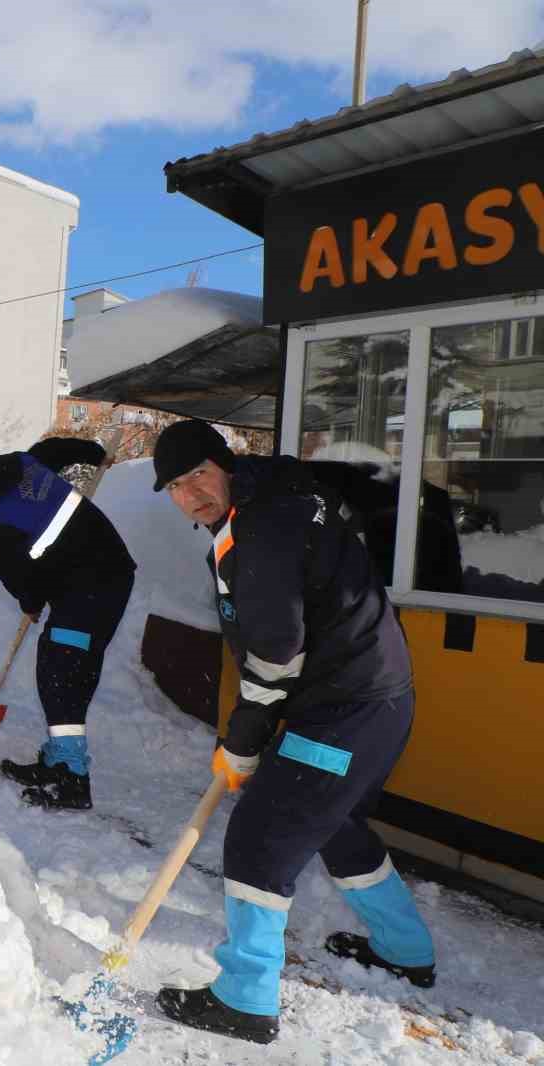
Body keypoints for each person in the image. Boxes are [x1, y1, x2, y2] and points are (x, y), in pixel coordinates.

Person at [150, 420, 434, 1045]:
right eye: (175, 484)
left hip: (345, 709)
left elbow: (278, 651)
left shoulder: (262, 528)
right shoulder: (272, 501)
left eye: (198, 473)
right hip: (375, 700)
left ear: (224, 465)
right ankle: (406, 950)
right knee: (333, 821)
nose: (191, 493)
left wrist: (243, 741)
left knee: (260, 835)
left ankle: (245, 998)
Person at [0, 436, 135, 809]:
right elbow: (55, 449)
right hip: (100, 574)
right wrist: (93, 451)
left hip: (92, 583)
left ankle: (73, 779)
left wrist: (30, 601)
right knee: (63, 666)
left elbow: (17, 573)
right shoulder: (19, 463)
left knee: (60, 673)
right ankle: (59, 759)